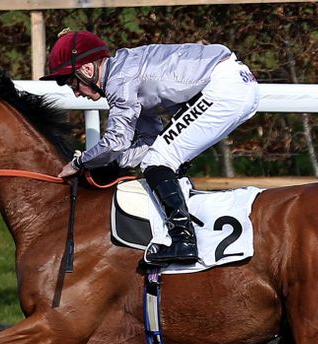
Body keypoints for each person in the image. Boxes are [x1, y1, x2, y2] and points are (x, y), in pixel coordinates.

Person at [41, 29, 260, 265]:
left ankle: (183, 239)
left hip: (225, 88)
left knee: (159, 160)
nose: (75, 93)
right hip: (238, 84)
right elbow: (150, 138)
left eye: (71, 83)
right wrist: (111, 164)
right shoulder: (125, 71)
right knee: (162, 156)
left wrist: (79, 163)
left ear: (86, 70)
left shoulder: (119, 81)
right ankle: (185, 228)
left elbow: (116, 142)